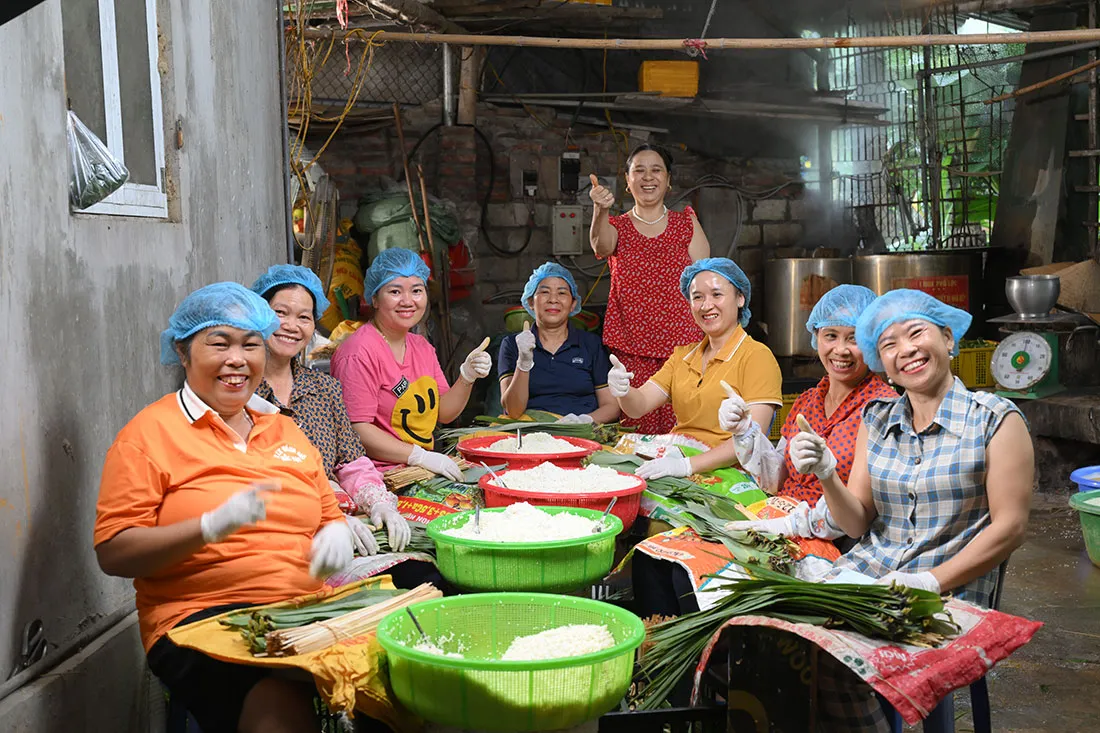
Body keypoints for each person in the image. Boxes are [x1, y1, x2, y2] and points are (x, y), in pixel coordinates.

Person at [94, 283, 357, 733]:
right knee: (275, 704)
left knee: (401, 668)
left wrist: (335, 533)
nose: (238, 359)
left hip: (304, 609)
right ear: (183, 352)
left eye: (251, 345)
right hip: (202, 618)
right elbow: (114, 552)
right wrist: (208, 527)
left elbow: (327, 512)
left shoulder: (285, 431)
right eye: (220, 344)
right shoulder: (148, 434)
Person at [785, 289, 1034, 731]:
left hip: (949, 594)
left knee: (842, 667)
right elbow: (856, 521)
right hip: (869, 578)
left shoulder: (996, 419)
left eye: (916, 333)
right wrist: (827, 474)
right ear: (882, 363)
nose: (906, 350)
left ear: (948, 338)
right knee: (782, 643)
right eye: (889, 343)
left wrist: (928, 581)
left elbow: (1010, 528)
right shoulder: (877, 419)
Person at [250, 264, 410, 554]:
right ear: (258, 315)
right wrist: (322, 516)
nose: (292, 326)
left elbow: (351, 461)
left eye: (304, 317)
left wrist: (379, 503)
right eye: (280, 313)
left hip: (339, 525)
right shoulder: (240, 393)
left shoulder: (325, 389)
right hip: (273, 535)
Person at [722, 285, 898, 539]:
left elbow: (860, 516)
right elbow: (777, 479)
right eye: (831, 336)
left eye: (854, 338)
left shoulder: (882, 409)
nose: (841, 349)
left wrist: (792, 525)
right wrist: (745, 432)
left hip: (831, 540)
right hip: (778, 518)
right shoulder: (807, 401)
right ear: (816, 337)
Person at [608, 257, 782, 480]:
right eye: (697, 297)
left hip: (730, 473)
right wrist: (623, 391)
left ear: (740, 298)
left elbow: (750, 442)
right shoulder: (683, 356)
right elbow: (638, 406)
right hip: (679, 458)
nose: (706, 306)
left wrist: (686, 466)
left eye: (717, 294)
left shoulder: (757, 357)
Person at [330, 248, 492, 480]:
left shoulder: (421, 347)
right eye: (395, 291)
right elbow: (357, 429)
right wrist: (420, 456)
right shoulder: (358, 352)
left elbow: (444, 413)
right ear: (374, 299)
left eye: (416, 290)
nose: (407, 301)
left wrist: (467, 377)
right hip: (376, 477)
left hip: (419, 470)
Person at [589, 144, 710, 435]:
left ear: (668, 180)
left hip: (683, 347)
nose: (648, 177)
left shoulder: (686, 223)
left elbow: (705, 281)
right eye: (639, 170)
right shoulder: (617, 226)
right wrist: (600, 209)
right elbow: (601, 246)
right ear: (627, 181)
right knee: (636, 431)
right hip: (632, 348)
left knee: (684, 431)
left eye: (656, 170)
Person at [498, 262, 620, 424]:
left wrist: (583, 421)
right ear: (531, 302)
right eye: (544, 292)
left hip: (583, 432)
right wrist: (524, 363)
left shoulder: (591, 344)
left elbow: (611, 406)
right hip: (531, 432)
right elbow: (513, 411)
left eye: (562, 293)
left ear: (573, 304)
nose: (553, 299)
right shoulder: (512, 344)